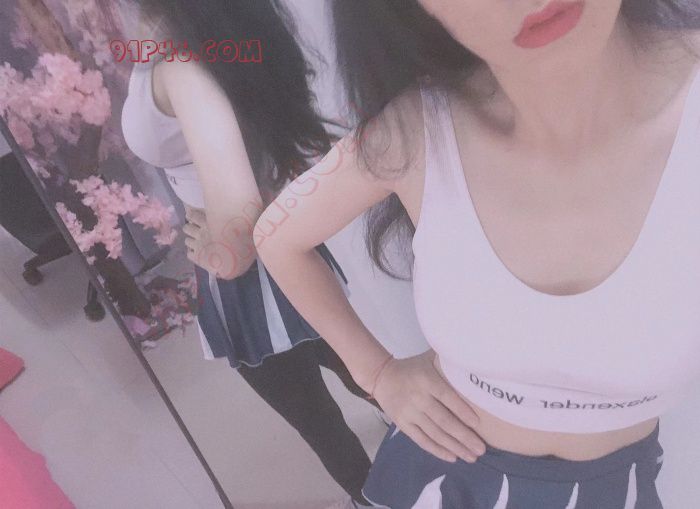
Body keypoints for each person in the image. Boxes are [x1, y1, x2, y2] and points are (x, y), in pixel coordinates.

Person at [256, 0, 700, 506]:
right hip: (445, 476)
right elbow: (278, 237)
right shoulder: (418, 127)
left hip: (614, 488)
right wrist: (376, 374)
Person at [119, 1, 381, 507]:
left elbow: (237, 224)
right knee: (357, 370)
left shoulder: (181, 63)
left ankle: (377, 494)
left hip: (250, 278)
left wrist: (217, 252)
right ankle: (411, 455)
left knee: (321, 411)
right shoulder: (203, 30)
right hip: (286, 246)